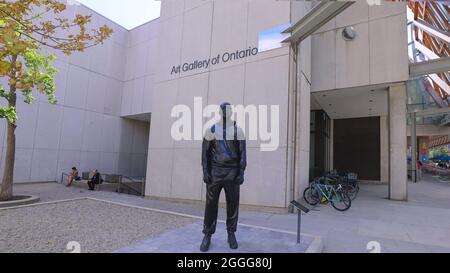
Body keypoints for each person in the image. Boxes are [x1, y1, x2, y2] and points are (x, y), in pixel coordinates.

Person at [200, 102, 246, 252]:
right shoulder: (211, 130)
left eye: (229, 109)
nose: (226, 112)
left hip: (232, 172)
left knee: (233, 204)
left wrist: (241, 172)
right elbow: (204, 153)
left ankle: (231, 233)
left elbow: (243, 154)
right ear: (220, 112)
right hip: (215, 172)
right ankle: (207, 234)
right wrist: (206, 171)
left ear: (232, 112)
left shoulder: (238, 131)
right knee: (210, 205)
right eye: (224, 109)